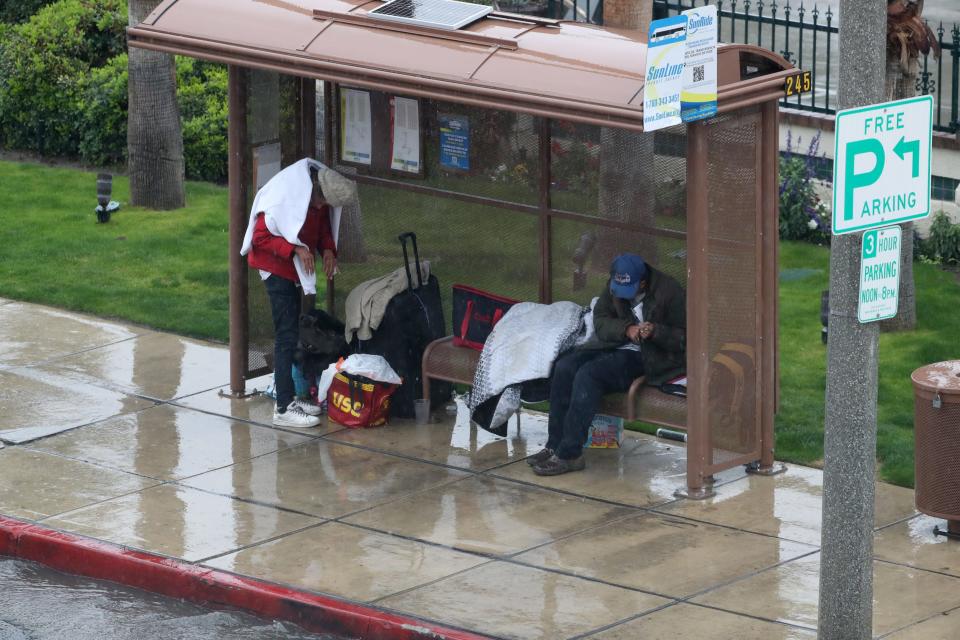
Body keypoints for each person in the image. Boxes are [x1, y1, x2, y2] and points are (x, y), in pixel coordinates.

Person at [530, 253, 686, 475]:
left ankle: (570, 454)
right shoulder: (614, 288)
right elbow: (601, 320)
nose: (621, 296)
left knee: (589, 375)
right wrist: (626, 329)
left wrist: (655, 332)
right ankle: (554, 445)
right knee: (565, 367)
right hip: (613, 345)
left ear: (643, 282)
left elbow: (683, 338)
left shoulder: (669, 291)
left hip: (650, 356)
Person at [243, 161, 356, 428]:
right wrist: (295, 249)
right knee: (286, 336)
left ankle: (291, 396)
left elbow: (322, 227)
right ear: (312, 190)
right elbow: (259, 238)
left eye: (324, 205)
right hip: (274, 268)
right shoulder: (287, 196)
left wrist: (327, 248)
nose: (319, 208)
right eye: (318, 203)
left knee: (292, 331)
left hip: (291, 269)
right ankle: (283, 407)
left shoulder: (315, 196)